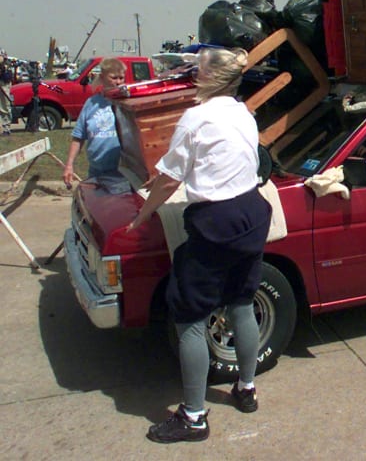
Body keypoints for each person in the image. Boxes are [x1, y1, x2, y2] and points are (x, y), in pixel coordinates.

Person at [127, 47, 271, 444]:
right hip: (252, 213)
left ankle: (193, 417)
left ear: (208, 76)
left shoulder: (195, 116)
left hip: (217, 222)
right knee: (241, 302)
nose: (192, 71)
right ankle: (246, 389)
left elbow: (170, 179)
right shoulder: (242, 111)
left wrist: (141, 216)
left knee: (189, 316)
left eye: (198, 66)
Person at [62, 57, 126, 187]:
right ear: (102, 77)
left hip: (123, 172)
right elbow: (78, 137)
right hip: (96, 171)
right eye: (114, 78)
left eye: (121, 78)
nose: (118, 82)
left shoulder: (127, 103)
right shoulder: (91, 103)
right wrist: (69, 165)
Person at [0, 50, 12, 136]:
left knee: (5, 107)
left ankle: (6, 128)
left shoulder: (6, 65)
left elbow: (7, 77)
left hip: (3, 85)